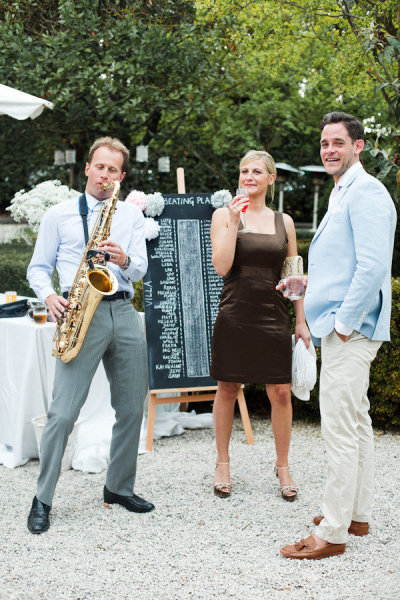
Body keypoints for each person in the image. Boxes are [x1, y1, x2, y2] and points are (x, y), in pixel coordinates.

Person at [280, 112, 397, 559]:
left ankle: (332, 532)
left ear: (358, 146)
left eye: (338, 143)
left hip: (351, 329)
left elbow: (372, 267)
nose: (329, 150)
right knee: (357, 421)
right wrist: (307, 284)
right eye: (325, 143)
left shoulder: (366, 191)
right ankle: (356, 514)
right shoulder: (343, 191)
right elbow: (347, 266)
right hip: (343, 324)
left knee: (339, 428)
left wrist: (344, 325)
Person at [26, 137, 153, 534]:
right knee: (63, 413)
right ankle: (42, 498)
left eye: (113, 170)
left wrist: (124, 259)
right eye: (100, 167)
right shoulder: (59, 214)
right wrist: (49, 296)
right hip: (80, 311)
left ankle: (119, 487)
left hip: (123, 310)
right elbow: (37, 268)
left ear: (121, 177)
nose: (104, 175)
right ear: (87, 168)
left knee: (131, 409)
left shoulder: (129, 216)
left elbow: (140, 269)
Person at [210, 150, 310, 501]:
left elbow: (294, 274)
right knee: (227, 387)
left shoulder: (285, 222)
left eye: (256, 171)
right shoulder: (223, 215)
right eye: (243, 171)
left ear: (271, 178)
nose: (248, 177)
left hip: (273, 314)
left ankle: (282, 465)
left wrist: (301, 321)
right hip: (234, 313)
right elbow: (222, 267)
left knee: (280, 392)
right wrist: (234, 221)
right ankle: (222, 463)